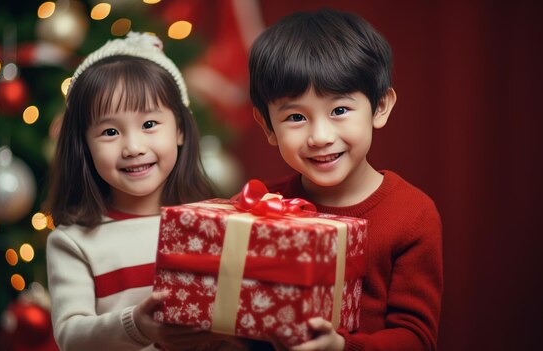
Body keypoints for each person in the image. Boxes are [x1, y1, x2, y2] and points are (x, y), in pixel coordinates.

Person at [248, 8, 443, 351]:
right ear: (268, 127)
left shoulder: (412, 215)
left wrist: (341, 347)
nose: (320, 136)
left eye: (339, 110)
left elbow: (417, 338)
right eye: (296, 117)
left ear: (380, 107)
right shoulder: (263, 206)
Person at [45, 31, 233, 351]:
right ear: (84, 146)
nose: (133, 147)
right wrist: (138, 325)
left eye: (149, 125)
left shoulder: (214, 223)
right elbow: (70, 336)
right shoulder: (72, 242)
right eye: (110, 131)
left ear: (181, 131)